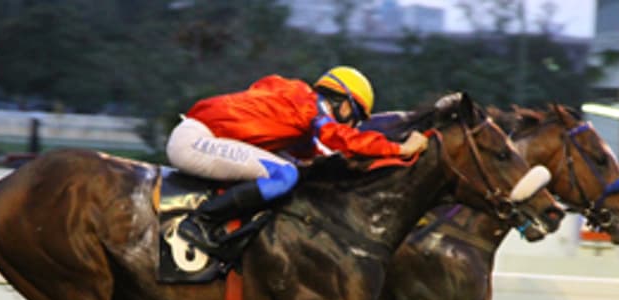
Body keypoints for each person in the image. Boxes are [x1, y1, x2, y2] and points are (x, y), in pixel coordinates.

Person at [166, 66, 430, 256]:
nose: (354, 125)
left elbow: (313, 150)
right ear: (346, 106)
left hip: (201, 134)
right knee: (284, 175)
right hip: (195, 141)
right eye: (356, 118)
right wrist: (399, 148)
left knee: (293, 168)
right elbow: (340, 139)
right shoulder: (314, 108)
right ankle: (201, 222)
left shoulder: (298, 100)